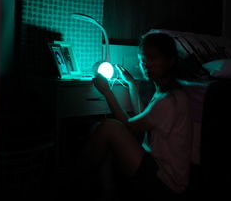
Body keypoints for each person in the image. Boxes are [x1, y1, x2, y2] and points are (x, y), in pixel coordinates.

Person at [74, 33, 192, 200]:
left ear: (170, 61)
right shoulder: (166, 92)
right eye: (142, 59)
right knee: (98, 128)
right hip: (158, 167)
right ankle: (108, 190)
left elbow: (130, 125)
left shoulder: (170, 100)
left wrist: (107, 92)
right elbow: (144, 116)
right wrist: (132, 85)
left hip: (166, 183)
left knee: (110, 127)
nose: (146, 65)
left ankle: (73, 182)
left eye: (152, 59)